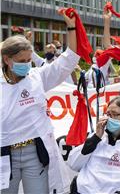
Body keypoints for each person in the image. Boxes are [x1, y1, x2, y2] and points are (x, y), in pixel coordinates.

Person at [0, 10, 80, 193]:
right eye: (22, 61)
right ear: (7, 59)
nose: (27, 64)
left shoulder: (37, 76)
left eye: (29, 60)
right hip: (4, 154)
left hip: (35, 153)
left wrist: (72, 27)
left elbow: (68, 61)